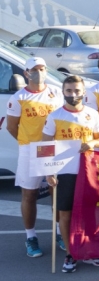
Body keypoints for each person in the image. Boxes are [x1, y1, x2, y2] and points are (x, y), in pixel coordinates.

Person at [42, 75, 99, 273]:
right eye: (69, 91)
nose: (73, 94)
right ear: (63, 92)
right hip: (64, 171)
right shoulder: (55, 116)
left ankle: (90, 250)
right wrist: (48, 171)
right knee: (65, 213)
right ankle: (70, 254)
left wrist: (93, 144)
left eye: (77, 91)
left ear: (83, 92)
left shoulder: (92, 114)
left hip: (87, 170)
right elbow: (45, 145)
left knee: (89, 211)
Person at [6, 57, 63, 258]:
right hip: (30, 151)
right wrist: (27, 142)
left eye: (43, 68)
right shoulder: (18, 98)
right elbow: (12, 126)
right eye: (35, 69)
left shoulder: (56, 92)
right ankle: (31, 237)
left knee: (57, 193)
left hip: (52, 150)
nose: (39, 72)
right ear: (26, 73)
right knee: (29, 195)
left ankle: (59, 233)